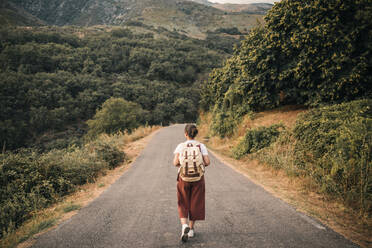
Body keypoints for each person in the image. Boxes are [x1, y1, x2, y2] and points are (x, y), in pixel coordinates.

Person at [173, 124, 210, 242]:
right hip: (198, 179)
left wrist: (182, 165)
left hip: (183, 178)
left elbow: (175, 163)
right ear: (195, 134)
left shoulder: (181, 146)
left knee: (182, 201)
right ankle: (192, 229)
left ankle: (184, 225)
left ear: (185, 134)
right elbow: (207, 162)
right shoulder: (201, 145)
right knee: (195, 202)